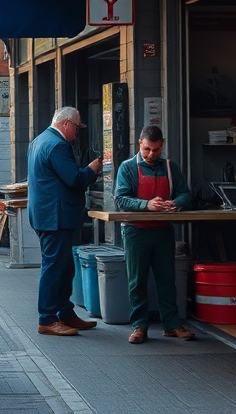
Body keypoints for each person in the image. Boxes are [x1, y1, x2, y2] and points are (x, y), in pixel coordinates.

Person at [115, 124, 195, 344]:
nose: (152, 154)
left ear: (162, 146)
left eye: (156, 150)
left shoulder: (171, 167)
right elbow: (120, 199)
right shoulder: (127, 168)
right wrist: (146, 205)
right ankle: (139, 326)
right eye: (148, 149)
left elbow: (185, 194)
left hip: (163, 231)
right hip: (135, 232)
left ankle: (171, 325)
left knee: (167, 280)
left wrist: (175, 203)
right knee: (136, 282)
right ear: (140, 142)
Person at [27, 106, 102, 337]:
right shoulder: (58, 145)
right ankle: (47, 318)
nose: (77, 134)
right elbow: (74, 179)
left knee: (64, 266)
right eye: (77, 128)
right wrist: (92, 169)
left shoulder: (39, 140)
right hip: (55, 217)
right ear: (66, 124)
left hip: (47, 215)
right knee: (54, 267)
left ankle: (64, 312)